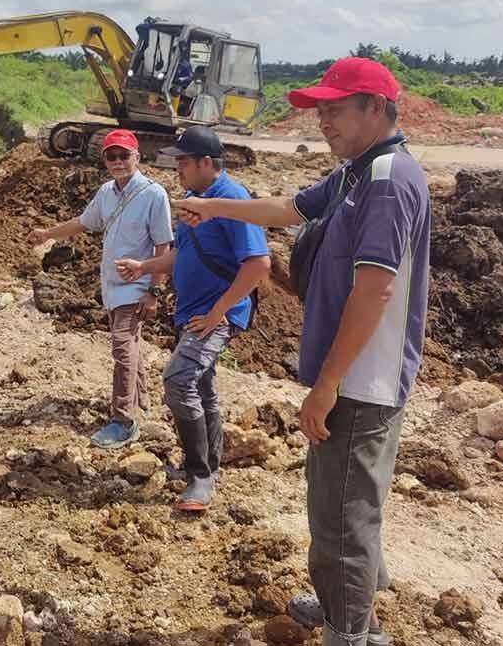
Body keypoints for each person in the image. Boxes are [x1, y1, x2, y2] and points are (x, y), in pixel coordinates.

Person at [172, 58, 431, 646]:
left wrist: (328, 383)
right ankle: (350, 605)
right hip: (351, 377)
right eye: (319, 111)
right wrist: (213, 206)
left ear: (376, 107)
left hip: (362, 381)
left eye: (335, 110)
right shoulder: (354, 174)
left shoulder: (388, 178)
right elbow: (287, 211)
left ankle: (350, 633)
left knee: (343, 517)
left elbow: (376, 289)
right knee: (342, 504)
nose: (323, 122)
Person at [115, 125, 270, 512]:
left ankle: (199, 474)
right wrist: (145, 266)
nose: (177, 168)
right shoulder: (193, 199)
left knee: (179, 379)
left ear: (205, 162)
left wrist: (219, 312)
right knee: (201, 387)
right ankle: (207, 467)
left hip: (215, 314)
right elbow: (182, 253)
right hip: (193, 311)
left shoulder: (233, 200)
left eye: (183, 161)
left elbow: (257, 264)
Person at [27, 130, 173, 449]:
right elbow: (83, 222)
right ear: (105, 160)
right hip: (111, 285)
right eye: (112, 156)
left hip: (136, 285)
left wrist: (154, 291)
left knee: (122, 347)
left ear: (138, 157)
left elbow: (164, 245)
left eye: (124, 155)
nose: (118, 162)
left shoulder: (154, 195)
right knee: (129, 343)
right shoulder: (107, 192)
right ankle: (142, 399)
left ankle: (124, 420)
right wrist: (47, 234)